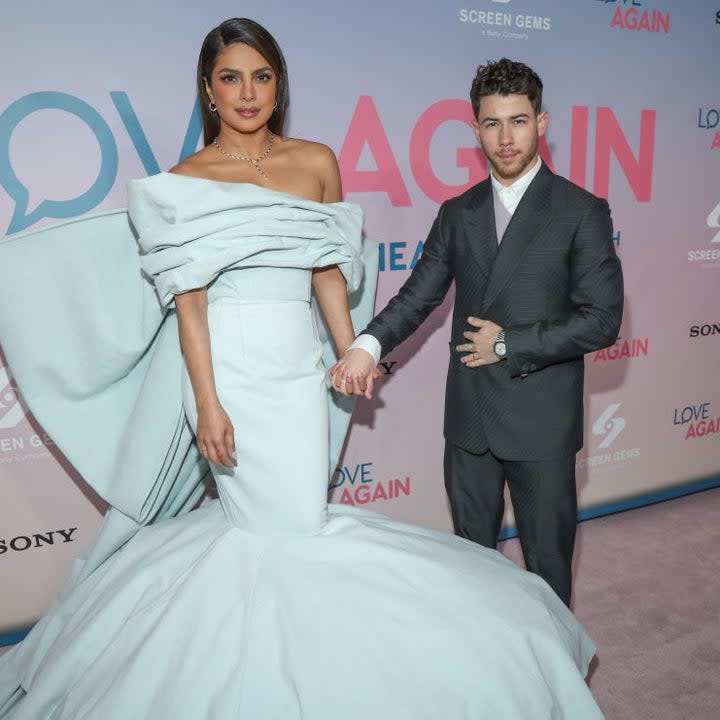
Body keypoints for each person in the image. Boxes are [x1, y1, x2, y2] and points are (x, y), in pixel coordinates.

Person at [0, 26, 606, 718]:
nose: (248, 93)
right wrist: (207, 403)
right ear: (208, 88)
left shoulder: (316, 162)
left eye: (261, 76)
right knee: (270, 539)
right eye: (231, 78)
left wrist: (351, 350)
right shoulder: (185, 183)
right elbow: (190, 307)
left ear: (279, 84)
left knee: (300, 525)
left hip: (298, 375)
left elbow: (328, 269)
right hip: (229, 375)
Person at [332, 58, 624, 608]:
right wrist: (366, 347)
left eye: (518, 121)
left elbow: (602, 321)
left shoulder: (580, 211)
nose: (505, 138)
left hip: (540, 423)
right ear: (475, 130)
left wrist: (510, 343)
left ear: (542, 122)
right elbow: (419, 295)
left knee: (547, 572)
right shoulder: (457, 212)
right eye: (492, 124)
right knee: (472, 569)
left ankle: (548, 682)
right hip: (469, 422)